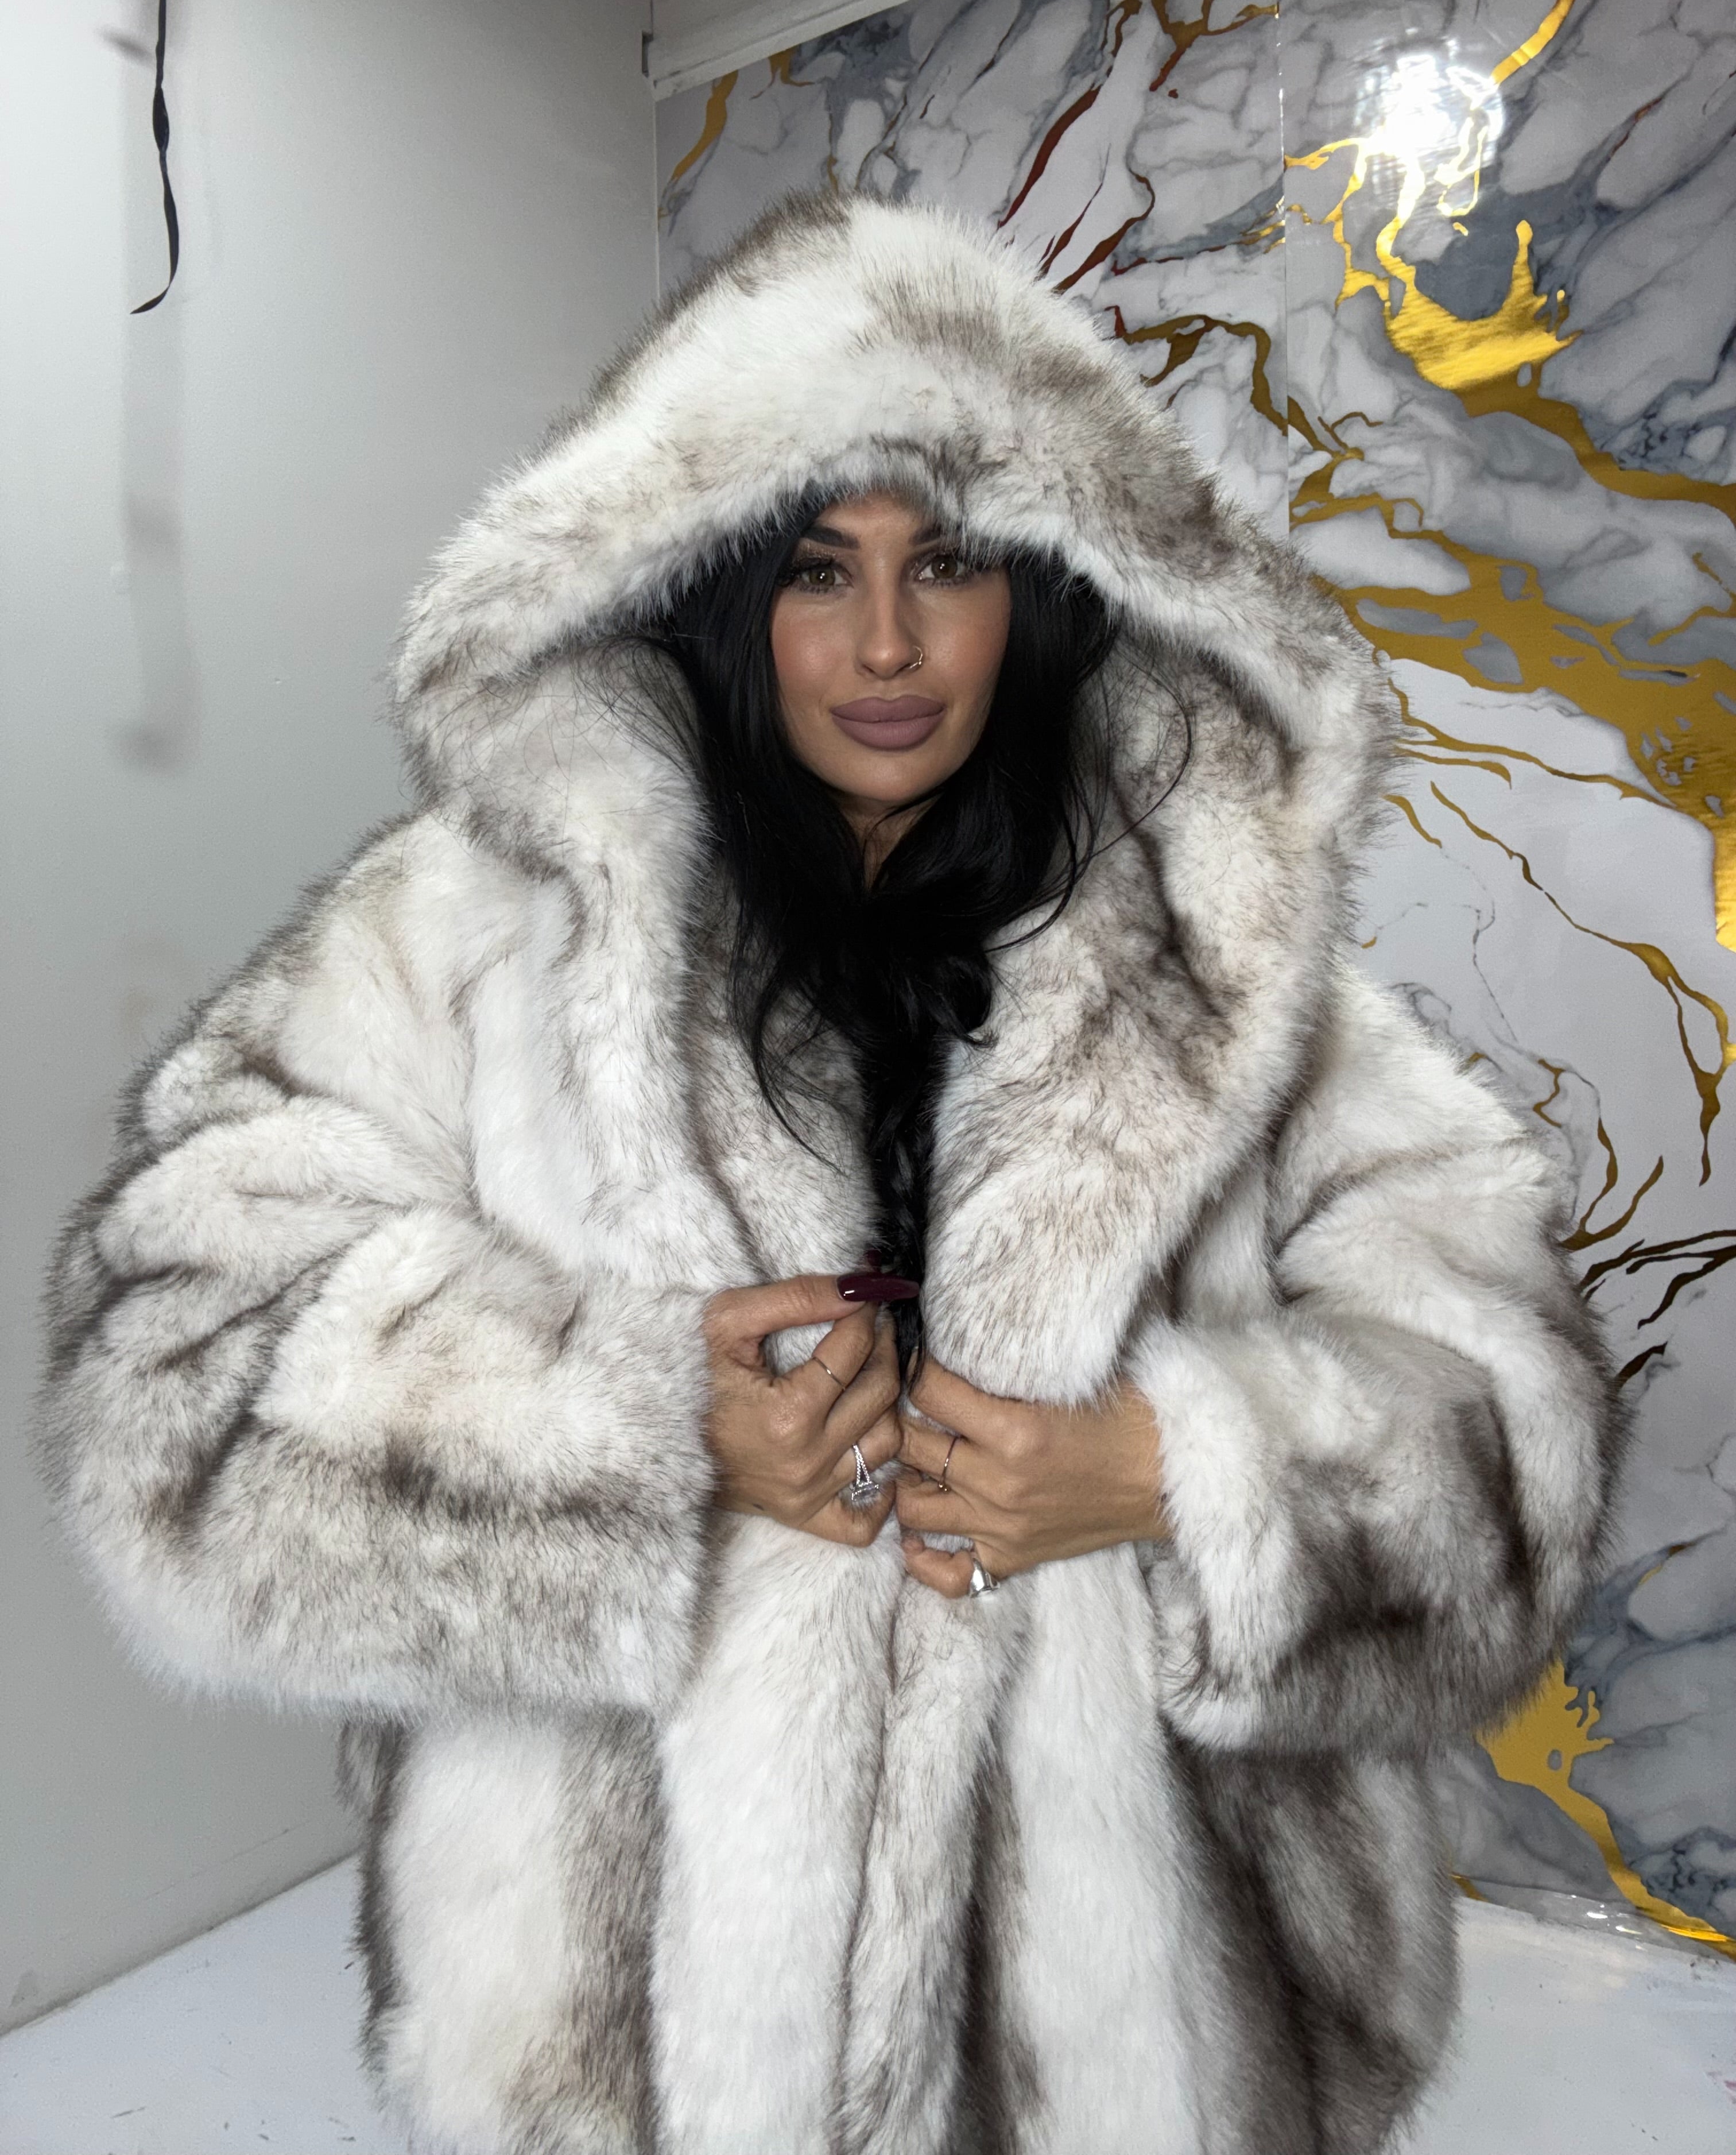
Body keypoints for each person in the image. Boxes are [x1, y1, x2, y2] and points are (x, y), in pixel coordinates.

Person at [40, 192, 1616, 2155]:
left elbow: (1513, 1405)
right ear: (711, 592)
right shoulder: (475, 932)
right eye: (815, 569)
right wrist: (634, 1430)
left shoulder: (1229, 975)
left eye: (946, 562)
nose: (885, 643)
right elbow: (169, 1368)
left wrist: (1174, 1469)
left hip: (1140, 2044)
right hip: (636, 2046)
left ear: (1048, 586)